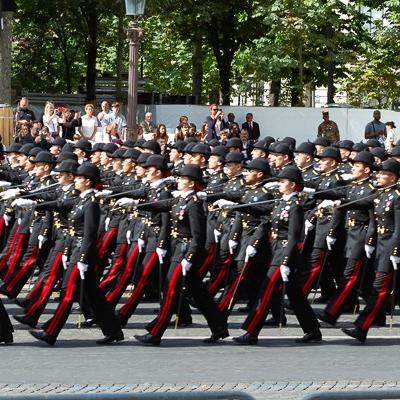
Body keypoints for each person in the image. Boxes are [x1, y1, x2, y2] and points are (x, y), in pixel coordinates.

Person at [27, 164, 124, 345]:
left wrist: (82, 259)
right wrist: (33, 200)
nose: (75, 180)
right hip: (75, 250)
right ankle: (113, 330)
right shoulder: (81, 200)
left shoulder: (91, 205)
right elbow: (59, 204)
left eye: (79, 178)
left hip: (82, 254)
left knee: (68, 291)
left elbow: (90, 235)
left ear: (87, 182)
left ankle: (50, 331)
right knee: (93, 295)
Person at [133, 164, 229, 345]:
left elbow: (198, 237)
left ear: (191, 183)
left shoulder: (193, 205)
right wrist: (136, 204)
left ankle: (155, 333)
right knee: (200, 294)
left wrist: (190, 258)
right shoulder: (180, 200)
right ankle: (219, 327)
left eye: (182, 179)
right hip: (177, 250)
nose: (178, 181)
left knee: (170, 289)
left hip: (185, 253)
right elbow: (161, 205)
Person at [233, 166, 322, 345]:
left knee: (266, 289)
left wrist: (286, 261)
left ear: (293, 185)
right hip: (276, 250)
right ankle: (313, 330)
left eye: (282, 181)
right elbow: (263, 213)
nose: (279, 184)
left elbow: (293, 236)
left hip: (284, 253)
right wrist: (237, 206)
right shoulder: (280, 202)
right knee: (295, 295)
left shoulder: (295, 206)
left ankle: (251, 332)